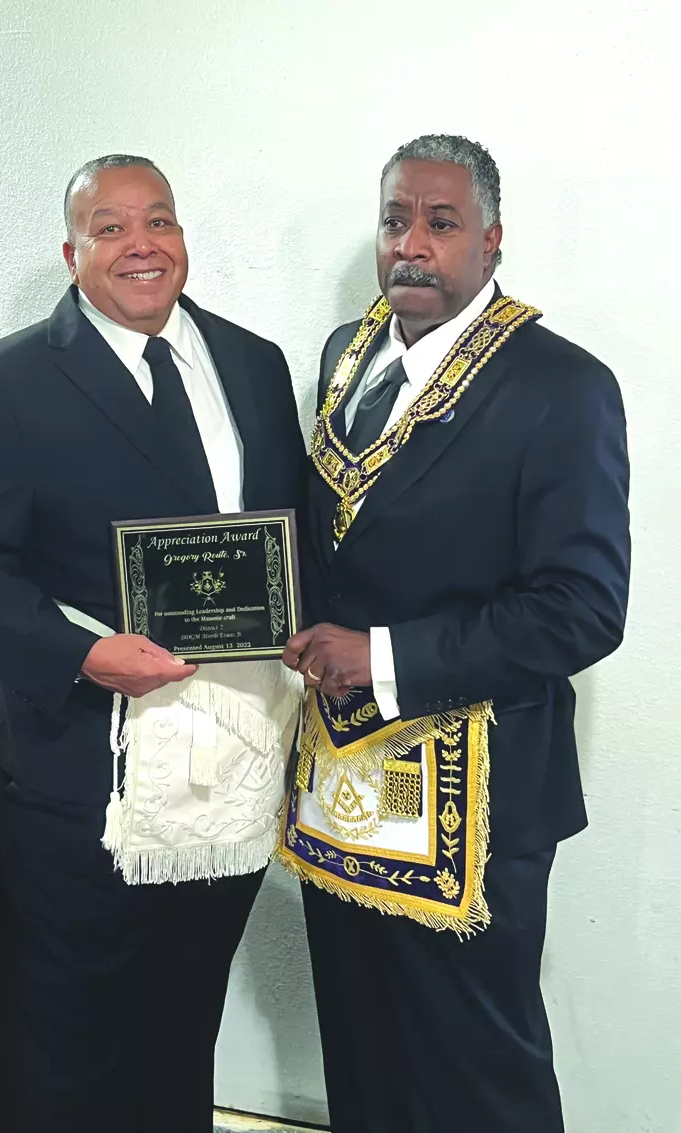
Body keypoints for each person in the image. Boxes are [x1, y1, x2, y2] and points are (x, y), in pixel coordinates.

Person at [0, 153, 306, 1132]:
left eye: (159, 221)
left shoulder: (254, 363)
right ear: (72, 253)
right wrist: (83, 656)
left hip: (233, 755)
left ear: (182, 237)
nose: (141, 245)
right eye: (111, 227)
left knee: (185, 1012)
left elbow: (290, 537)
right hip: (81, 760)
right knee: (73, 1030)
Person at [280, 135, 630, 1133]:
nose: (411, 245)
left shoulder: (560, 385)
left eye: (440, 223)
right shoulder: (344, 354)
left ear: (491, 238)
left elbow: (583, 606)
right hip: (344, 782)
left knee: (477, 1075)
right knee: (361, 1049)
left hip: (478, 791)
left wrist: (382, 654)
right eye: (395, 220)